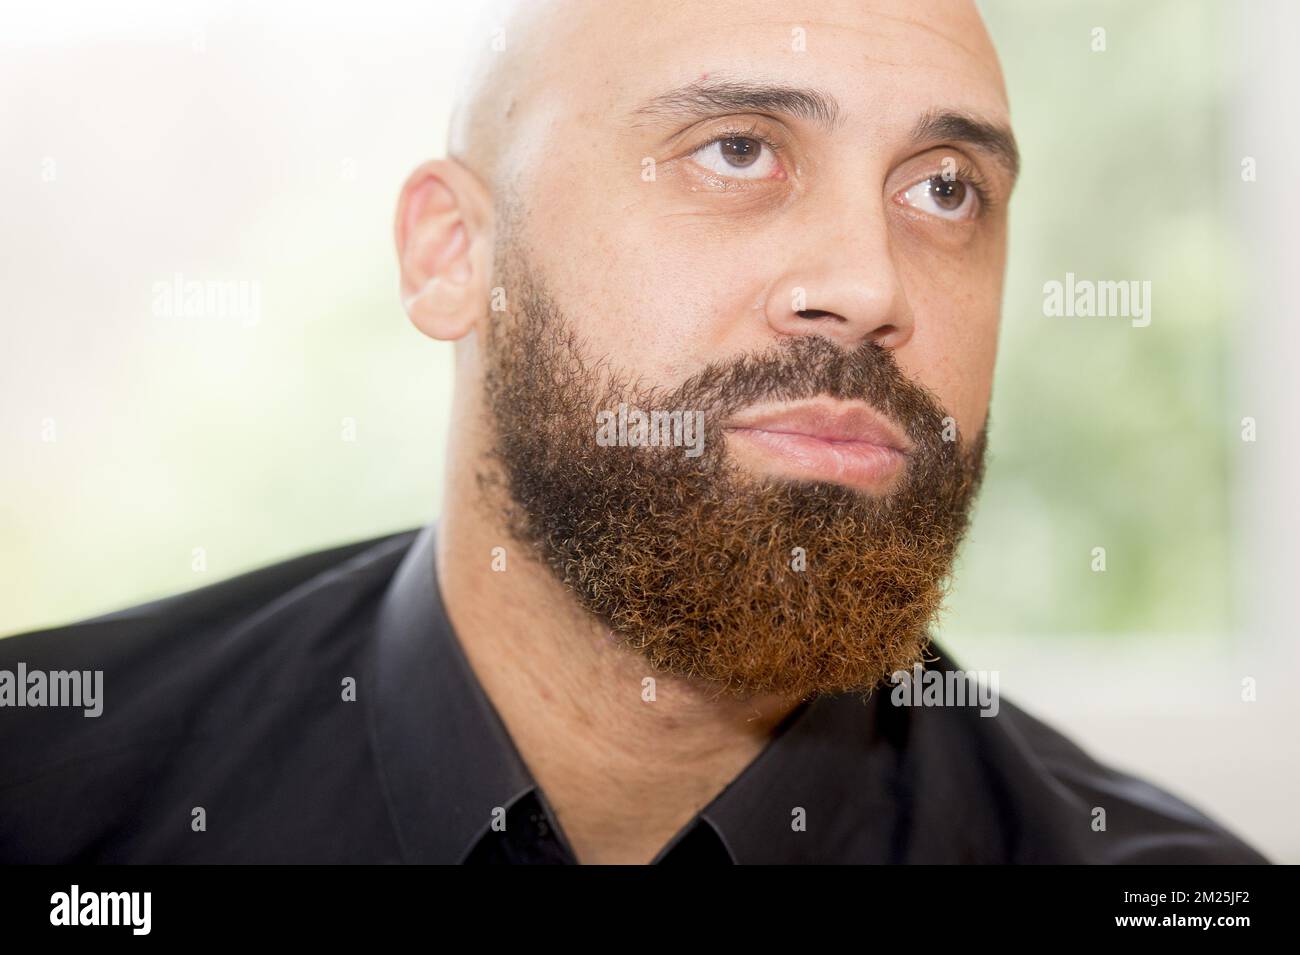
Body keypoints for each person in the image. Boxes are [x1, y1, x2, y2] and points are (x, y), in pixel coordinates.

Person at [0, 0, 1269, 864]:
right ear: (455, 256)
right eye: (735, 149)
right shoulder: (43, 793)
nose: (870, 283)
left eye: (945, 189)